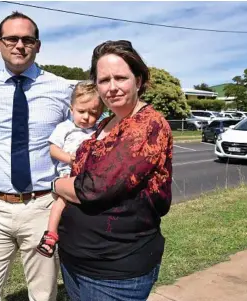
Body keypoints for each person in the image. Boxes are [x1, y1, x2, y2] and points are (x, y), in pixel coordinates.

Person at [51, 40, 173, 301]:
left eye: (120, 77)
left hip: (115, 270)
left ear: (138, 80)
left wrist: (57, 185)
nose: (112, 87)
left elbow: (95, 187)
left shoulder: (148, 125)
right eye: (104, 80)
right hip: (76, 259)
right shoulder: (105, 122)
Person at [0, 11, 73, 301]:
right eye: (11, 38)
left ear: (38, 46)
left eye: (28, 39)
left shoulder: (61, 89)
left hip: (42, 207)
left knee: (43, 295)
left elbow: (82, 135)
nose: (19, 45)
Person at [36, 81, 104, 258]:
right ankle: (50, 235)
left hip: (89, 175)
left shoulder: (98, 131)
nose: (86, 117)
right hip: (68, 173)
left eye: (93, 113)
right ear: (71, 109)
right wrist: (71, 159)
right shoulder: (64, 128)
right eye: (81, 111)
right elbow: (53, 149)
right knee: (61, 203)